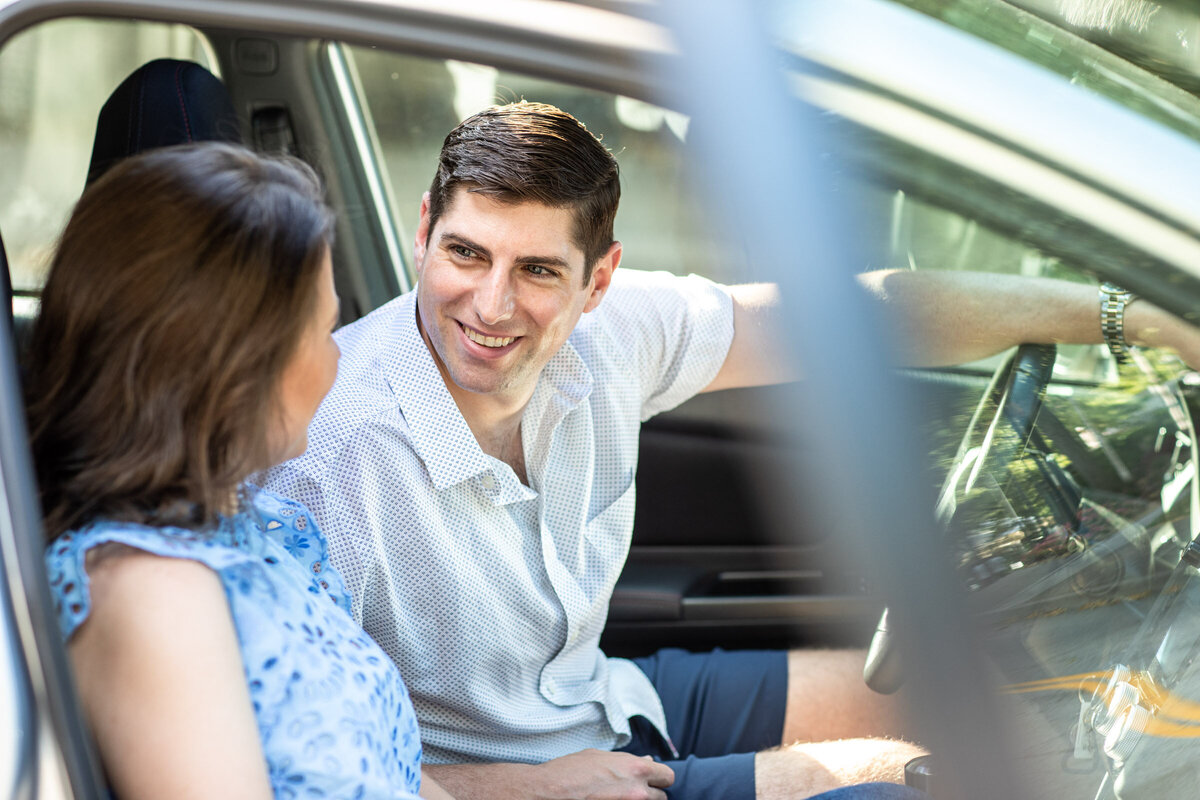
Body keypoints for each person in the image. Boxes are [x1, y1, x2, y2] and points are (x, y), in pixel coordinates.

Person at [261, 101, 1200, 800]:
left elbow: (855, 318)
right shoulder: (325, 453)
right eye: (465, 254)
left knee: (976, 708)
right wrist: (515, 788)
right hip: (515, 787)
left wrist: (1128, 315)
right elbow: (277, 757)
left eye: (538, 269)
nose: (491, 305)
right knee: (910, 781)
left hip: (611, 702)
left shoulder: (611, 335)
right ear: (425, 230)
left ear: (600, 280)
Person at [27, 142, 456, 800]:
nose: (337, 359)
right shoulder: (154, 595)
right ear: (234, 371)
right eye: (322, 330)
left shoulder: (260, 523)